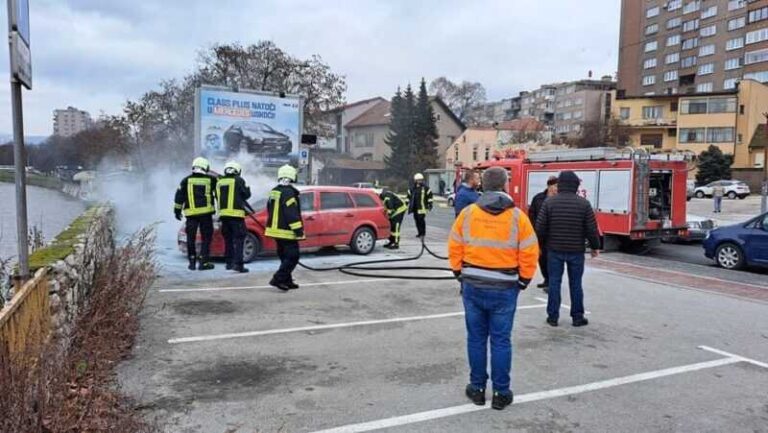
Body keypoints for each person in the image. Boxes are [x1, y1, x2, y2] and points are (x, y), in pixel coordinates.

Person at [448, 167, 539, 411]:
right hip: (505, 287)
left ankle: (477, 389)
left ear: (482, 186)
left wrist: (459, 273)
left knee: (476, 339)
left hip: (473, 285)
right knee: (501, 340)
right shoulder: (518, 217)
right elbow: (530, 251)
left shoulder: (468, 214)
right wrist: (524, 280)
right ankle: (501, 392)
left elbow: (455, 246)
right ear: (505, 186)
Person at [535, 171, 600, 328]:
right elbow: (591, 228)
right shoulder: (584, 204)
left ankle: (552, 317)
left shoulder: (549, 203)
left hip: (554, 250)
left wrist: (539, 246)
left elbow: (540, 228)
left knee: (555, 283)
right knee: (576, 284)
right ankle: (577, 317)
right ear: (576, 185)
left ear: (561, 184)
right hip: (576, 250)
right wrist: (595, 246)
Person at [265, 164, 304, 291]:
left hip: (275, 230)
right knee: (293, 256)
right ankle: (278, 279)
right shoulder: (289, 193)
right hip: (286, 231)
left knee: (284, 256)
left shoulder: (274, 191)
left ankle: (287, 280)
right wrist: (298, 231)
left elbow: (269, 209)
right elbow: (291, 214)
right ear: (291, 176)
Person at [174, 157, 217, 271]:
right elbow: (219, 192)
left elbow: (179, 197)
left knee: (191, 238)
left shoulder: (185, 180)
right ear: (205, 167)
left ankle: (192, 262)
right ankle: (203, 262)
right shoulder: (211, 180)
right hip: (206, 215)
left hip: (191, 215)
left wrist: (177, 211)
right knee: (206, 238)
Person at [217, 161, 252, 273]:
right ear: (237, 171)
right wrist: (248, 189)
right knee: (239, 240)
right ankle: (239, 265)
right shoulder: (238, 180)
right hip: (236, 216)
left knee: (228, 240)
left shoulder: (220, 182)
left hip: (223, 216)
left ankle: (229, 263)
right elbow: (246, 195)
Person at [528, 176, 559, 290]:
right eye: (555, 186)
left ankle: (552, 283)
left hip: (553, 235)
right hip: (539, 234)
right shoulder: (538, 198)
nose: (557, 188)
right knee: (541, 259)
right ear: (549, 186)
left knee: (552, 260)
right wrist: (532, 229)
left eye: (558, 186)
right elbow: (531, 214)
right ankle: (546, 279)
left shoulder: (559, 199)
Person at [407, 173, 433, 238]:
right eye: (418, 180)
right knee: (417, 221)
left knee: (421, 221)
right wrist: (406, 203)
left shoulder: (426, 188)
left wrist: (430, 204)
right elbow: (408, 197)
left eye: (420, 180)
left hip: (422, 208)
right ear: (415, 180)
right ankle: (419, 233)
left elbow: (430, 196)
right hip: (415, 208)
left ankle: (423, 233)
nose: (419, 181)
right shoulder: (412, 188)